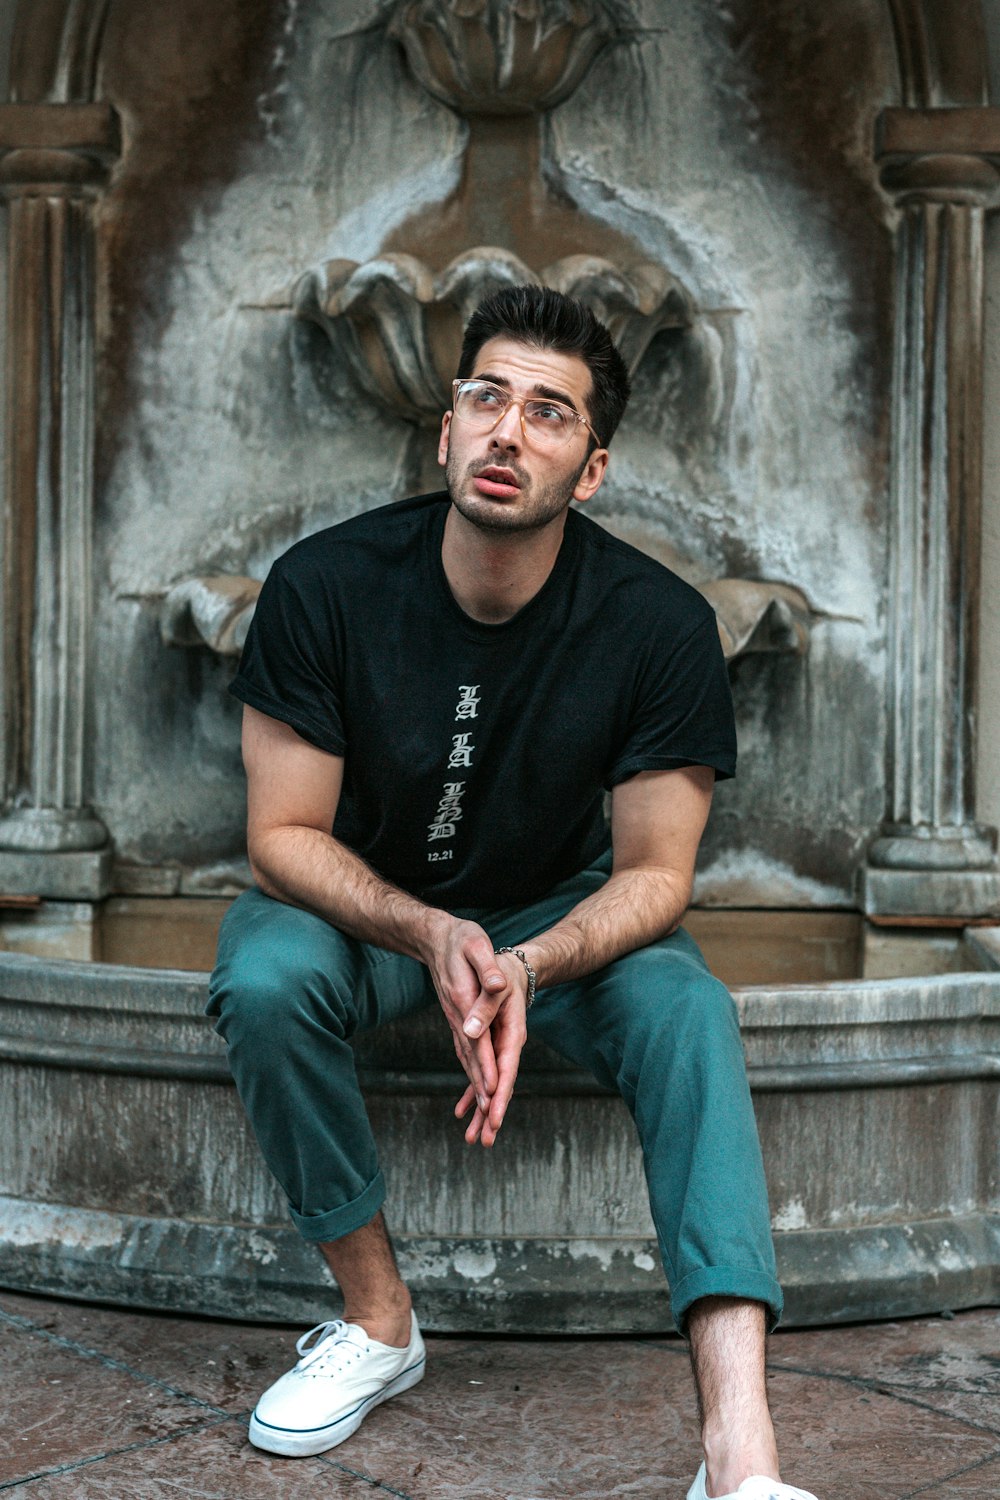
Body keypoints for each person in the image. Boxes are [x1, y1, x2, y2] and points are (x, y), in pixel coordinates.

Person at [207, 285, 819, 1500]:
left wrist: (526, 964)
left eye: (549, 414)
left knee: (689, 1013)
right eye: (486, 398)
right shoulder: (325, 586)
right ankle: (380, 1323)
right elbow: (281, 835)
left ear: (590, 471)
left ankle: (739, 1451)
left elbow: (657, 872)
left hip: (559, 921)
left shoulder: (659, 625)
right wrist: (429, 929)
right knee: (264, 978)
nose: (508, 432)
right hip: (367, 910)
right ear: (444, 430)